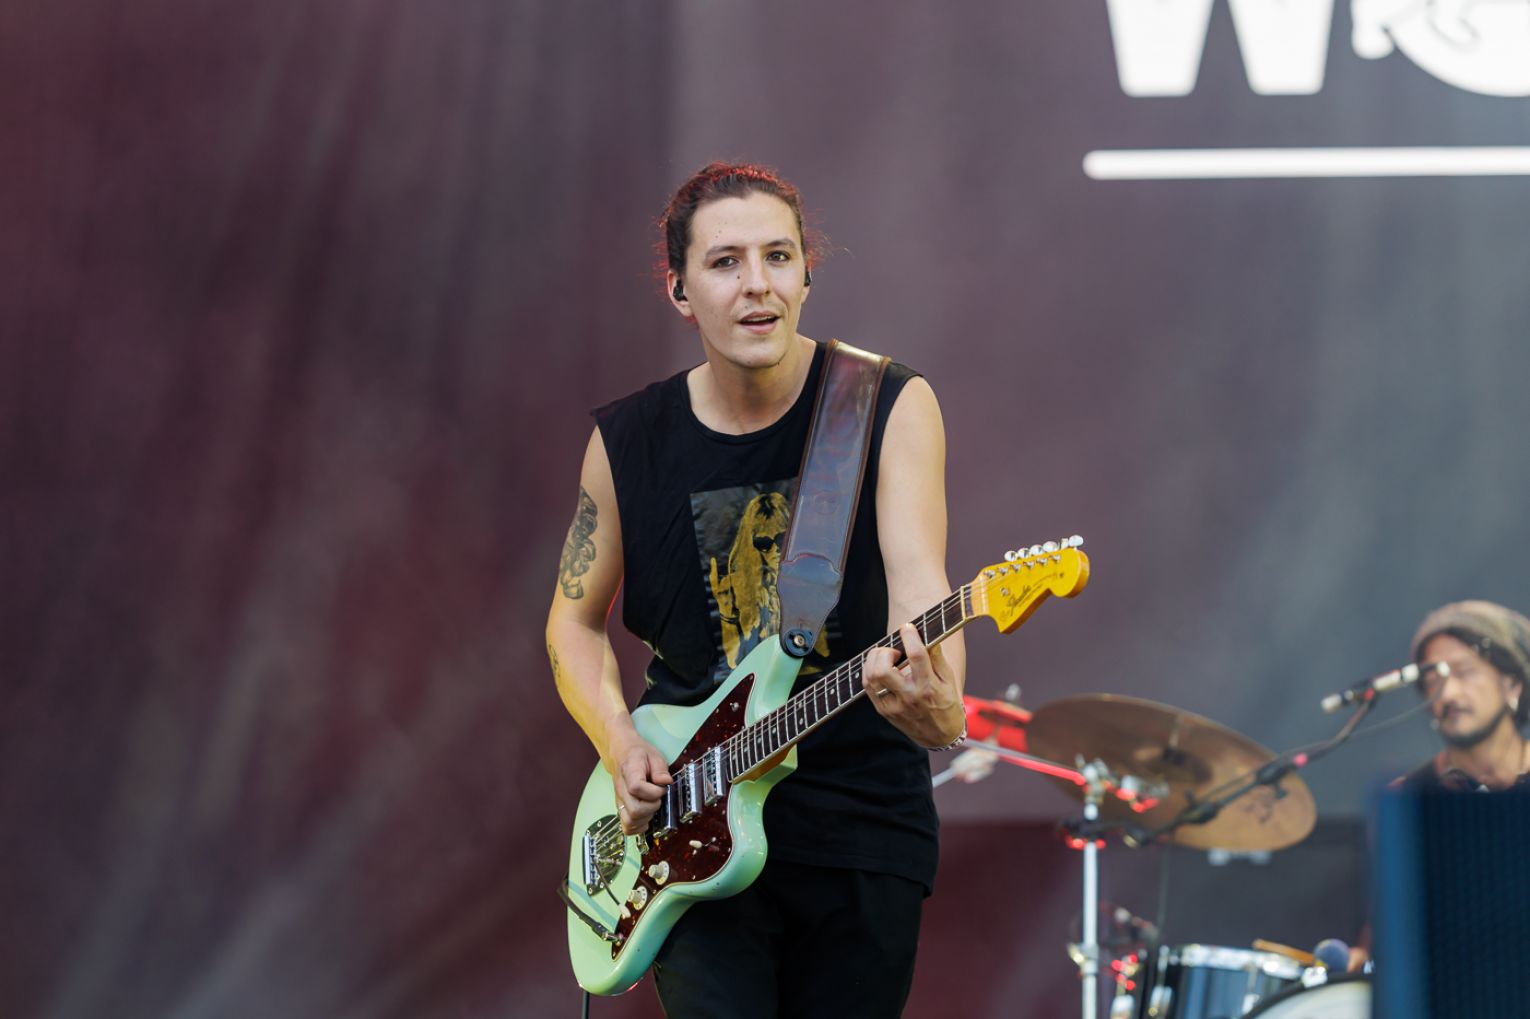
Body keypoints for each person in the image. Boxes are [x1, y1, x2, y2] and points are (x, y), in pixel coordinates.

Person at [545, 161, 967, 1017]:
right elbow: (572, 624)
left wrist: (941, 702)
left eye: (778, 256)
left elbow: (923, 587)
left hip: (860, 827)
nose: (757, 285)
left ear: (807, 273)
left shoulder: (884, 404)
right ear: (680, 290)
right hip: (692, 825)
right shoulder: (629, 442)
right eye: (725, 262)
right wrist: (619, 740)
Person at [1398, 599, 1530, 791]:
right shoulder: (1409, 796)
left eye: (1465, 672)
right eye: (1434, 680)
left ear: (1513, 685)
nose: (1448, 693)